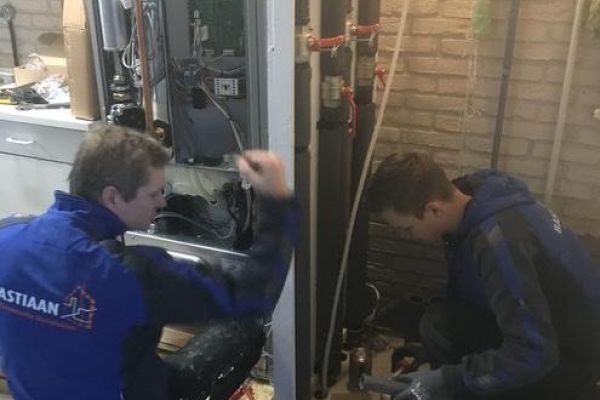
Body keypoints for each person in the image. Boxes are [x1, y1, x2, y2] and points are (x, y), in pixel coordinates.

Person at [0, 124, 297, 400]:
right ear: (112, 197)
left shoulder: (7, 237)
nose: (162, 202)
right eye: (153, 193)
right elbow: (253, 295)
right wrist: (277, 201)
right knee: (245, 331)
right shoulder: (124, 273)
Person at [366, 152, 600, 400]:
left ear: (433, 209)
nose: (405, 237)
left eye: (406, 229)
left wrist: (447, 380)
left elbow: (534, 354)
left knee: (452, 353)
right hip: (551, 331)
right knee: (439, 324)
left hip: (567, 362)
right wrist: (432, 357)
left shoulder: (499, 244)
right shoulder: (476, 197)